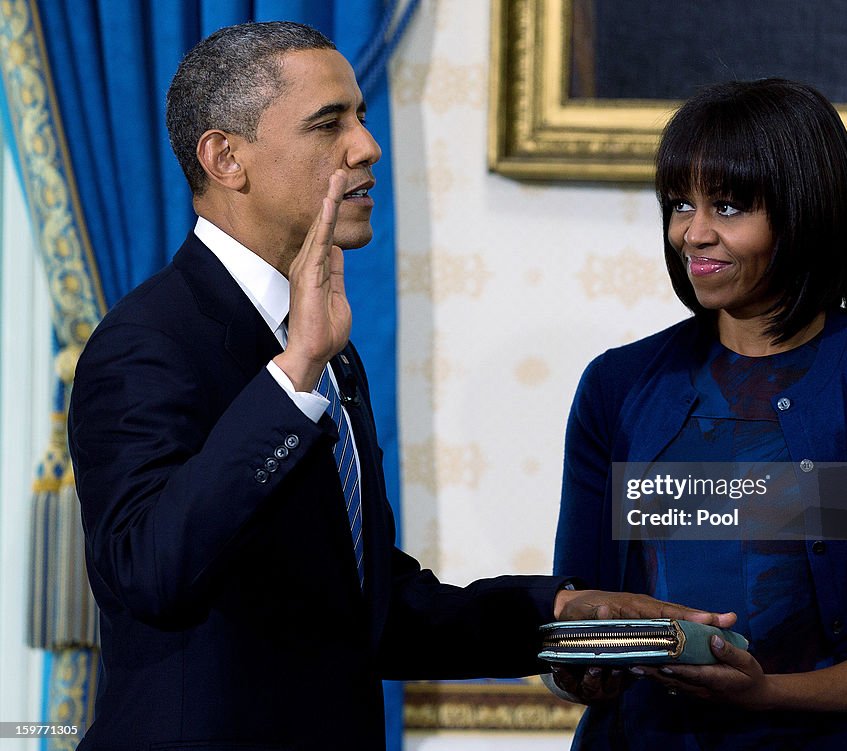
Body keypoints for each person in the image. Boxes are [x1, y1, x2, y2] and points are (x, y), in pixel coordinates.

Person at [66, 21, 727, 751]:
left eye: (362, 117)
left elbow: (369, 612)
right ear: (226, 158)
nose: (366, 147)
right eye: (329, 124)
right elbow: (152, 573)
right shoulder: (149, 342)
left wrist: (561, 612)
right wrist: (294, 376)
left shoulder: (320, 345)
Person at [552, 79, 847, 749]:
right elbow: (577, 604)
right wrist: (579, 666)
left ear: (805, 211)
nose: (694, 232)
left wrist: (764, 691)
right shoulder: (617, 384)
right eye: (680, 203)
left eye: (729, 204)